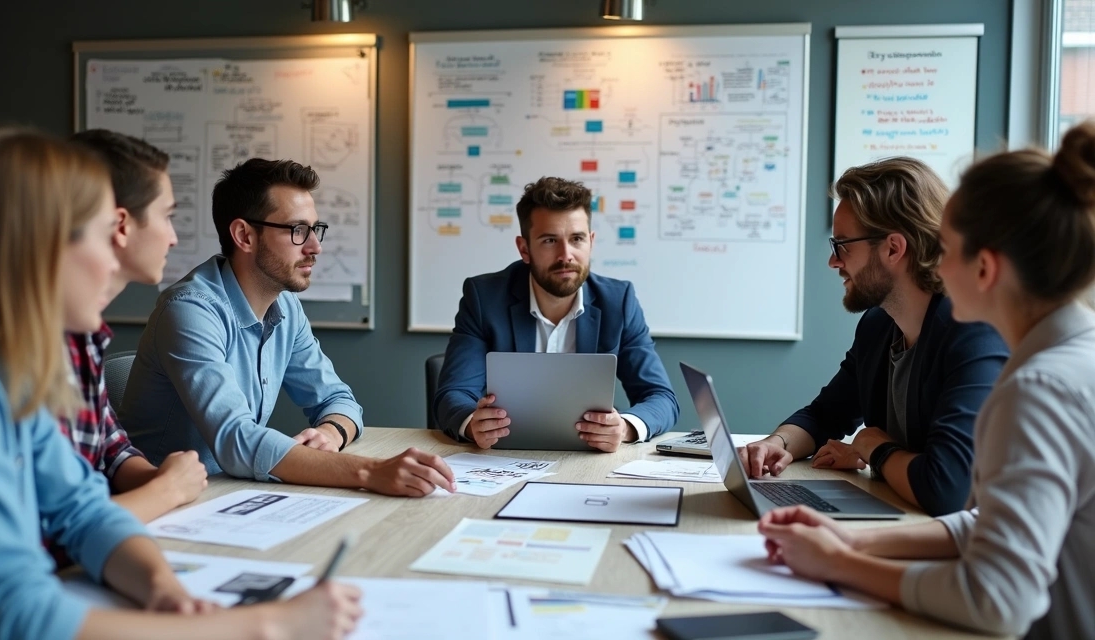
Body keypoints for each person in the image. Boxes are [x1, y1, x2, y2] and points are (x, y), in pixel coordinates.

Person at [0, 129, 361, 639]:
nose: (114, 261)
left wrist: (161, 587)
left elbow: (81, 511)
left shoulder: (11, 368)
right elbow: (14, 612)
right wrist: (258, 626)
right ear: (35, 244)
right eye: (100, 235)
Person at [758, 123, 1095, 638]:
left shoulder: (1037, 389)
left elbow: (997, 599)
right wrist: (852, 542)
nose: (935, 263)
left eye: (947, 249)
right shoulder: (1071, 360)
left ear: (984, 268)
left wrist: (838, 565)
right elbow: (995, 521)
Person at [120, 158, 455, 497]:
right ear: (244, 236)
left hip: (231, 493)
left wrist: (330, 433)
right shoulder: (191, 310)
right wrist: (370, 471)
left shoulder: (285, 307)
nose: (315, 247)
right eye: (297, 231)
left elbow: (339, 400)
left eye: (315, 229)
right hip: (164, 504)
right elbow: (237, 441)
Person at [739, 158, 1008, 516]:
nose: (834, 263)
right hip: (906, 521)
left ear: (894, 249)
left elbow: (948, 488)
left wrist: (873, 448)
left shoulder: (974, 334)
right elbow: (825, 415)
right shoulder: (878, 326)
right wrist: (778, 442)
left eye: (842, 246)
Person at [434, 176, 679, 451]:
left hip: (590, 460)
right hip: (501, 457)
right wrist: (472, 423)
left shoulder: (618, 301)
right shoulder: (484, 298)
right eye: (550, 240)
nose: (566, 255)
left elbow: (661, 397)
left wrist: (625, 427)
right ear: (524, 249)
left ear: (591, 242)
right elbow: (452, 394)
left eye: (577, 239)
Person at [62, 129, 207, 524]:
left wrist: (160, 481)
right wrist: (167, 490)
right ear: (120, 226)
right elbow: (58, 526)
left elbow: (106, 448)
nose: (174, 238)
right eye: (168, 216)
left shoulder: (83, 335)